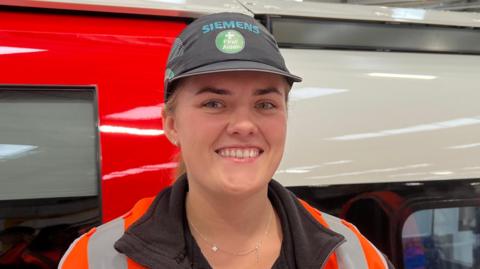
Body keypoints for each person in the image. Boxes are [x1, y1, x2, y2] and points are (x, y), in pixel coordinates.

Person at [59, 12, 394, 269]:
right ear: (172, 124)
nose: (244, 124)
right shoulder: (96, 259)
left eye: (265, 104)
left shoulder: (353, 255)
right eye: (214, 103)